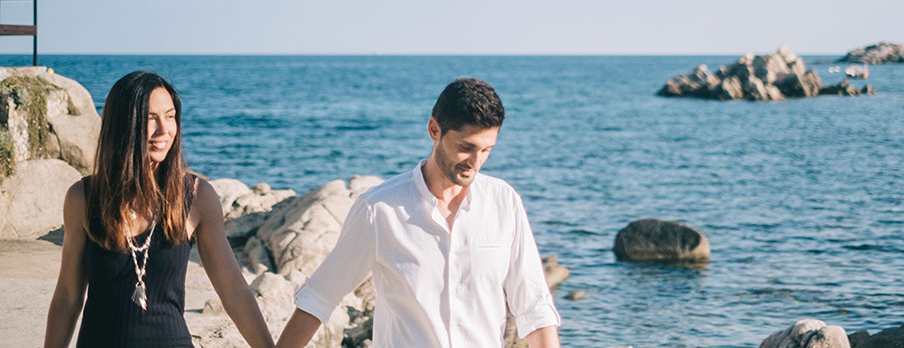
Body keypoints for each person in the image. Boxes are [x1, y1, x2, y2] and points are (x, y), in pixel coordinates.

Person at [276, 77, 561, 348]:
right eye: (466, 148)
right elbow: (318, 300)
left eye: (487, 150)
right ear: (434, 130)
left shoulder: (504, 202)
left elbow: (534, 309)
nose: (476, 162)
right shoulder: (379, 210)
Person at [44, 71, 275, 348]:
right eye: (150, 118)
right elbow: (68, 297)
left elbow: (234, 292)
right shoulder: (83, 197)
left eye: (170, 116)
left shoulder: (197, 196)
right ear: (123, 124)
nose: (164, 129)